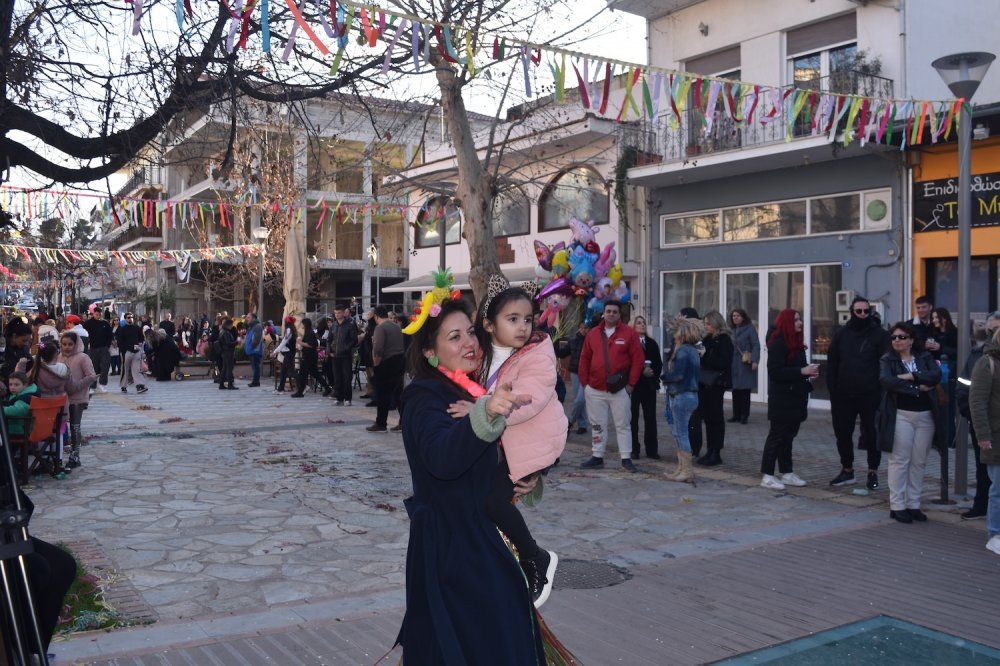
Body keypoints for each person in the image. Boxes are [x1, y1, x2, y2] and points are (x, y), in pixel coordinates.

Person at [395, 297, 547, 663]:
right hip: (452, 552)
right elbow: (444, 459)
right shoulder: (425, 400)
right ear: (431, 352)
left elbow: (483, 459)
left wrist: (525, 474)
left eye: (470, 332)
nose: (469, 343)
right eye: (454, 337)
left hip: (476, 538)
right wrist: (485, 414)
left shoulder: (466, 389)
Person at [470, 285, 565, 606]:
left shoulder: (537, 354)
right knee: (480, 505)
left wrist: (479, 411)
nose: (523, 327)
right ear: (488, 324)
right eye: (512, 319)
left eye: (527, 319)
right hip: (503, 445)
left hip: (532, 441)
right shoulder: (480, 352)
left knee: (493, 503)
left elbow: (527, 402)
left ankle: (535, 557)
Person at [878, 322, 941, 523]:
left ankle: (913, 503)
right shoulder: (887, 359)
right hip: (901, 414)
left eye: (902, 337)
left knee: (919, 460)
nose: (897, 340)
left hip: (926, 415)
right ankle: (897, 505)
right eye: (894, 337)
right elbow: (887, 381)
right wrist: (916, 388)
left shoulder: (924, 357)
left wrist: (911, 375)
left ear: (912, 340)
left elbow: (935, 375)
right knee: (900, 460)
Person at [827, 296, 890, 490]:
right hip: (843, 395)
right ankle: (847, 470)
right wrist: (833, 391)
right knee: (843, 433)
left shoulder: (879, 335)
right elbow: (832, 364)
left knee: (872, 434)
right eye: (859, 311)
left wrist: (881, 391)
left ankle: (873, 472)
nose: (863, 315)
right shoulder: (841, 334)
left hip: (870, 394)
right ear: (852, 312)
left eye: (866, 311)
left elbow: (885, 363)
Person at [578, 300, 645, 472]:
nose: (611, 314)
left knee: (623, 424)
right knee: (598, 424)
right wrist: (584, 383)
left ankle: (626, 457)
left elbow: (638, 360)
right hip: (595, 388)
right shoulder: (593, 334)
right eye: (608, 311)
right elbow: (584, 358)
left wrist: (631, 385)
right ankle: (597, 456)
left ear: (619, 314)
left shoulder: (629, 334)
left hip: (619, 388)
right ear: (603, 313)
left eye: (614, 312)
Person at [759, 309, 817, 490]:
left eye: (800, 320)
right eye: (796, 320)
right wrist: (801, 371)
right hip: (782, 399)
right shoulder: (778, 344)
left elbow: (797, 369)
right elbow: (775, 372)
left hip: (796, 397)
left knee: (788, 438)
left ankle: (787, 472)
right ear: (786, 323)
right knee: (777, 437)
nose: (800, 323)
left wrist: (808, 371)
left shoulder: (797, 344)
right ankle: (767, 475)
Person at [957, 312, 1000, 519]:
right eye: (991, 329)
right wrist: (971, 415)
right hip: (984, 425)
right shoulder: (980, 357)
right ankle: (982, 507)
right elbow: (965, 387)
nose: (994, 333)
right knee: (984, 469)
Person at [661, 315, 705, 483]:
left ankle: (686, 470)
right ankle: (682, 468)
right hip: (689, 395)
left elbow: (677, 374)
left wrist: (664, 377)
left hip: (682, 395)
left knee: (681, 433)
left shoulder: (684, 351)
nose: (674, 334)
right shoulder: (692, 350)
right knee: (680, 433)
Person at [969, 325, 1000, 556]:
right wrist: (983, 436)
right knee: (998, 488)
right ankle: (994, 534)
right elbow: (977, 403)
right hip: (996, 436)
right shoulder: (986, 363)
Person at [696, 311, 733, 467]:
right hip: (704, 383)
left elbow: (723, 363)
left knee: (716, 418)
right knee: (708, 418)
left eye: (708, 323)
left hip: (716, 383)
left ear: (716, 323)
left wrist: (705, 356)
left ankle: (716, 452)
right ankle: (710, 450)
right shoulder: (707, 338)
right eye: (705, 323)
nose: (706, 326)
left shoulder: (724, 340)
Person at [59, 331, 98, 469]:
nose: (67, 347)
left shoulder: (83, 357)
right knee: (60, 426)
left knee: (75, 426)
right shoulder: (58, 357)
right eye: (64, 344)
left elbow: (91, 376)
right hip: (61, 398)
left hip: (78, 397)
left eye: (70, 344)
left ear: (76, 344)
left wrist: (78, 386)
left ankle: (75, 456)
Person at [366, 307, 405, 432]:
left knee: (383, 395)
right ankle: (404, 422)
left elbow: (378, 349)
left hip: (386, 363)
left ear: (377, 316)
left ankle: (381, 423)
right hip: (399, 361)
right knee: (398, 395)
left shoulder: (380, 328)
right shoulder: (396, 326)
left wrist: (376, 365)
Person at [630, 316, 663, 459]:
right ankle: (633, 449)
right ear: (633, 326)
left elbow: (658, 363)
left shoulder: (652, 343)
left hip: (649, 386)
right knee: (633, 418)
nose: (642, 325)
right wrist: (640, 372)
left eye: (643, 323)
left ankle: (652, 450)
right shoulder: (630, 343)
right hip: (634, 386)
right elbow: (626, 364)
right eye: (639, 323)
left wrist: (653, 372)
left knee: (650, 419)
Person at [727, 308, 760, 424]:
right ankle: (736, 415)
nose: (735, 318)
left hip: (745, 363)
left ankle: (744, 415)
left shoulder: (749, 328)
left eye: (738, 316)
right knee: (735, 390)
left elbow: (756, 345)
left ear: (743, 317)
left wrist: (755, 360)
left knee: (745, 391)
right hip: (733, 364)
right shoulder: (730, 330)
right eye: (733, 316)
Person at [291, 318, 330, 398]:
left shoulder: (309, 333)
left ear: (305, 324)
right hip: (310, 356)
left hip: (309, 356)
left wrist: (300, 342)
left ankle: (300, 392)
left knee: (303, 374)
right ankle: (327, 388)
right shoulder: (309, 332)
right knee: (314, 373)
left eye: (302, 323)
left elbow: (311, 345)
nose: (301, 325)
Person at [329, 304, 358, 406]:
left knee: (347, 377)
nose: (337, 315)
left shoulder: (350, 324)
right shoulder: (334, 325)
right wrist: (329, 351)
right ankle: (339, 397)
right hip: (335, 355)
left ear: (343, 313)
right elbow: (329, 339)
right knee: (337, 377)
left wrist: (346, 348)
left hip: (345, 355)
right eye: (335, 313)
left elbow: (354, 340)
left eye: (339, 313)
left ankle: (347, 398)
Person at [83, 308, 114, 393]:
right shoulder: (88, 323)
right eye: (96, 314)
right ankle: (92, 386)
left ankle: (102, 384)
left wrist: (107, 345)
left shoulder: (105, 323)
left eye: (99, 314)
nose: (98, 315)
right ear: (93, 314)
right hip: (93, 348)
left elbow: (110, 335)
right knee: (93, 368)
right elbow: (83, 333)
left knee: (105, 366)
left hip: (104, 348)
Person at [566, 321, 589, 435]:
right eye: (582, 328)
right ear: (579, 328)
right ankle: (582, 424)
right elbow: (563, 353)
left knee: (581, 399)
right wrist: (554, 344)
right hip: (575, 372)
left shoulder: (591, 341)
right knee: (578, 400)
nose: (584, 330)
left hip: (587, 373)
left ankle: (570, 421)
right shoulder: (573, 341)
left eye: (586, 328)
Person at [116, 313, 146, 394]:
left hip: (136, 351)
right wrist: (124, 350)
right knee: (125, 369)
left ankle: (139, 385)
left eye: (132, 317)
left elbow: (141, 338)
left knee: (136, 369)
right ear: (125, 319)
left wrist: (139, 345)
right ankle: (123, 386)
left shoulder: (137, 328)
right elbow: (119, 341)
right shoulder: (122, 329)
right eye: (128, 317)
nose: (130, 319)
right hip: (126, 352)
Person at [2, 371, 38, 436]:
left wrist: (1, 409)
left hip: (19, 429)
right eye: (10, 384)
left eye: (16, 384)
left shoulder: (27, 397)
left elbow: (16, 411)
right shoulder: (18, 394)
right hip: (18, 426)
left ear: (25, 385)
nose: (12, 387)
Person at [273, 316, 297, 394]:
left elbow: (284, 342)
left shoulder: (288, 330)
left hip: (289, 352)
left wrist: (275, 351)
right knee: (284, 371)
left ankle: (303, 385)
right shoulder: (293, 329)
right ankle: (281, 388)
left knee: (291, 371)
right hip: (289, 352)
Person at [217, 318, 239, 390]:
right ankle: (230, 385)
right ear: (229, 325)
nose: (232, 326)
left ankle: (221, 384)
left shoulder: (222, 331)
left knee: (225, 368)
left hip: (224, 352)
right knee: (229, 369)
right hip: (228, 352)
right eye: (232, 325)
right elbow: (228, 343)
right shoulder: (226, 332)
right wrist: (237, 342)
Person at [244, 313, 265, 387]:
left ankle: (256, 382)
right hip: (251, 350)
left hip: (255, 350)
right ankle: (255, 381)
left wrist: (252, 346)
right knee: (254, 367)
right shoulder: (251, 327)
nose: (247, 319)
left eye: (248, 317)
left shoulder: (257, 326)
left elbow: (256, 339)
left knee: (256, 367)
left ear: (253, 318)